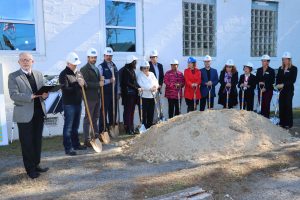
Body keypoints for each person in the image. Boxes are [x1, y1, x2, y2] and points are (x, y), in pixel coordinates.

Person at [8, 52, 49, 179]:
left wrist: (45, 95)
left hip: (38, 113)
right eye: (23, 60)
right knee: (27, 142)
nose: (25, 62)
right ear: (19, 62)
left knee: (37, 141)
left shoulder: (38, 74)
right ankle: (30, 169)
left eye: (28, 60)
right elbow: (13, 95)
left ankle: (36, 165)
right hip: (24, 115)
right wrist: (29, 96)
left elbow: (43, 91)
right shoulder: (13, 76)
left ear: (33, 61)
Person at [59, 52, 86, 156]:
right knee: (68, 127)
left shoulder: (78, 73)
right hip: (69, 104)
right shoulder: (63, 74)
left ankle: (76, 144)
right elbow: (65, 89)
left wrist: (84, 83)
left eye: (76, 64)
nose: (76, 66)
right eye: (74, 64)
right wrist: (77, 85)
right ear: (68, 63)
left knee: (75, 126)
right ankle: (68, 148)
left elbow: (84, 86)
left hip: (78, 102)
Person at [80, 48, 103, 147]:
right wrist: (98, 83)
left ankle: (95, 136)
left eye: (95, 57)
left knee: (95, 117)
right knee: (88, 118)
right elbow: (86, 84)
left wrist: (100, 80)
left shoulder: (96, 68)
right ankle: (87, 139)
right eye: (92, 57)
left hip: (97, 97)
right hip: (89, 97)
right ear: (88, 58)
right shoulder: (84, 69)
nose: (93, 59)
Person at [98, 47, 119, 134]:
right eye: (107, 55)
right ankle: (102, 129)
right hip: (105, 93)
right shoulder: (101, 66)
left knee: (113, 111)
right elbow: (99, 80)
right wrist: (109, 80)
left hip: (113, 93)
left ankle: (112, 127)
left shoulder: (114, 66)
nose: (109, 57)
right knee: (104, 111)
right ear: (104, 56)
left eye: (110, 56)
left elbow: (117, 80)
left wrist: (118, 91)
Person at [276, 52, 298, 129]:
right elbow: (278, 78)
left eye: (286, 59)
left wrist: (284, 84)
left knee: (288, 105)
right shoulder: (280, 68)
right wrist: (277, 85)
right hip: (281, 90)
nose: (284, 61)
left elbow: (293, 80)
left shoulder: (294, 68)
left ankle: (289, 123)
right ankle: (282, 122)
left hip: (289, 90)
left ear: (289, 60)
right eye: (283, 59)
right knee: (281, 105)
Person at [121, 55, 142, 134]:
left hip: (133, 95)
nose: (136, 63)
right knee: (128, 111)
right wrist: (136, 88)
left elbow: (134, 82)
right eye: (135, 62)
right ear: (131, 62)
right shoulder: (125, 70)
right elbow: (127, 83)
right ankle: (128, 128)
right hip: (128, 95)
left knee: (132, 111)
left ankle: (131, 127)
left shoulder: (132, 70)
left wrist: (139, 87)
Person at [137, 60, 159, 128]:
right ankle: (144, 126)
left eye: (147, 67)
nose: (146, 69)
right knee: (144, 113)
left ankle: (149, 126)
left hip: (152, 96)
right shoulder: (139, 75)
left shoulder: (152, 74)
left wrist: (155, 86)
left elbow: (156, 81)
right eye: (144, 68)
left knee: (151, 112)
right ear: (141, 68)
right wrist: (150, 88)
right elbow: (140, 84)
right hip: (144, 97)